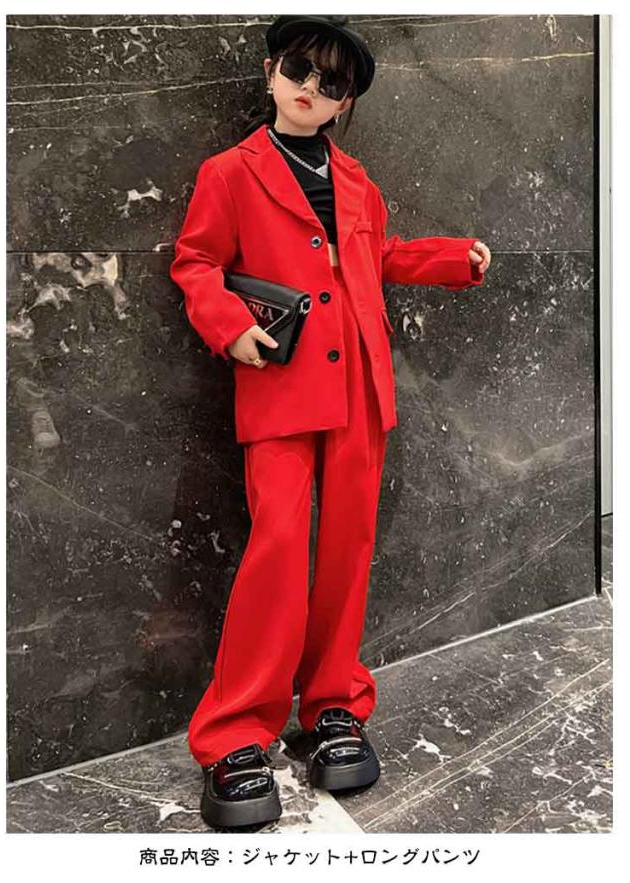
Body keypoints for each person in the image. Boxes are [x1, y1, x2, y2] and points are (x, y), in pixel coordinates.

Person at [169, 14, 491, 829]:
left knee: (347, 549)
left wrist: (453, 258)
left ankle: (333, 706)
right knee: (278, 548)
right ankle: (234, 733)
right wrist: (228, 325)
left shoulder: (356, 180)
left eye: (332, 81)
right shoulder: (229, 172)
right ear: (271, 72)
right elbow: (196, 260)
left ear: (346, 102)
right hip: (280, 384)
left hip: (360, 390)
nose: (312, 87)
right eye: (299, 69)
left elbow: (378, 258)